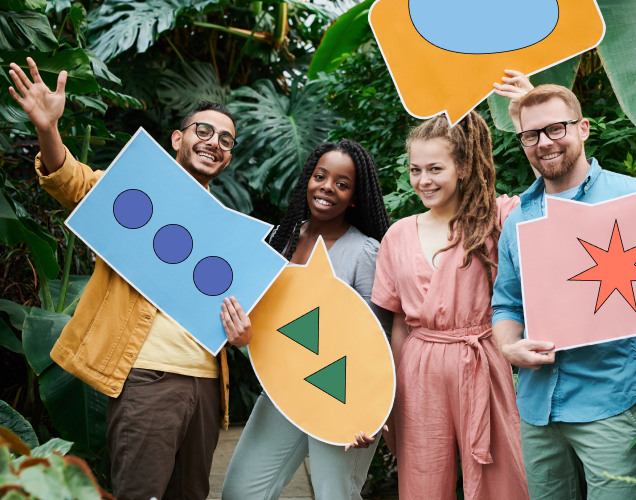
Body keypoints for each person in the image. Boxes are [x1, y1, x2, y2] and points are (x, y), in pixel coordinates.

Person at [8, 57, 252, 500]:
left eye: (226, 139)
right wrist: (47, 128)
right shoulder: (136, 193)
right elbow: (72, 183)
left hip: (207, 387)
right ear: (178, 138)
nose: (214, 142)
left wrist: (242, 333)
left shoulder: (231, 231)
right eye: (203, 131)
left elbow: (244, 312)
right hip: (147, 380)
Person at [491, 73, 636, 500]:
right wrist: (508, 348)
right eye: (531, 135)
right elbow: (506, 305)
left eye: (555, 128)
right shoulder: (517, 220)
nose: (545, 142)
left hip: (609, 402)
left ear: (582, 128)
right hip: (536, 408)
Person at [370, 111, 529, 500]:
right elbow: (399, 325)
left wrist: (525, 110)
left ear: (462, 166)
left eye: (435, 168)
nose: (423, 180)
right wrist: (390, 396)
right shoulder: (398, 234)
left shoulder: (496, 219)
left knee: (501, 477)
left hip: (483, 357)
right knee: (422, 478)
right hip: (418, 365)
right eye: (415, 169)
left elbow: (549, 199)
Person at [222, 139, 391, 500]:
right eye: (321, 176)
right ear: (308, 181)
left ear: (354, 197)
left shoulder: (366, 253)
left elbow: (376, 344)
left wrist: (370, 411)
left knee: (335, 495)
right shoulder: (282, 243)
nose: (328, 187)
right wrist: (245, 336)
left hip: (343, 399)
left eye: (342, 184)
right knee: (240, 492)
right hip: (284, 390)